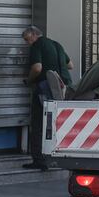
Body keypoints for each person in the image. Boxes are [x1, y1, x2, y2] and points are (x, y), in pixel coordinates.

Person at [22, 26, 73, 170]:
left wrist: (29, 80)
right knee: (57, 123)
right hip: (64, 89)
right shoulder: (57, 44)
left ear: (34, 35)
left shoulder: (37, 45)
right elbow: (70, 65)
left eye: (27, 39)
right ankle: (57, 156)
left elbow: (37, 68)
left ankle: (39, 160)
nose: (27, 43)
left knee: (38, 123)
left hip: (45, 88)